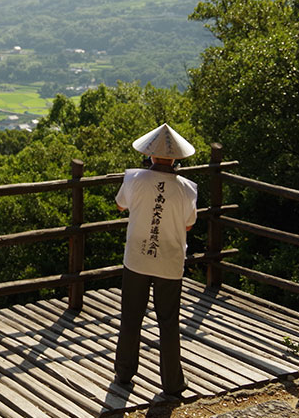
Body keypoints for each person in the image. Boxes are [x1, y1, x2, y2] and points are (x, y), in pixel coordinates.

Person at [113, 123, 198, 400]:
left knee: (131, 317)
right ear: (175, 158)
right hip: (170, 263)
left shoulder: (134, 179)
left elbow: (121, 205)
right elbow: (188, 225)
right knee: (169, 321)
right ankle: (172, 383)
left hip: (137, 259)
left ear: (150, 155)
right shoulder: (187, 189)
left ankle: (124, 374)